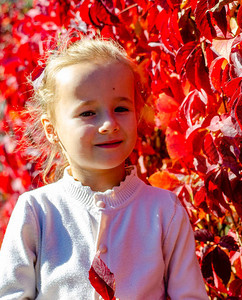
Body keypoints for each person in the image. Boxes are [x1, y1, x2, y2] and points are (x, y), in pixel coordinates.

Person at [0, 37, 208, 299]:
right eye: (88, 113)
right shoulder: (37, 212)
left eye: (121, 108)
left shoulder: (165, 210)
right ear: (52, 131)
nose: (109, 123)